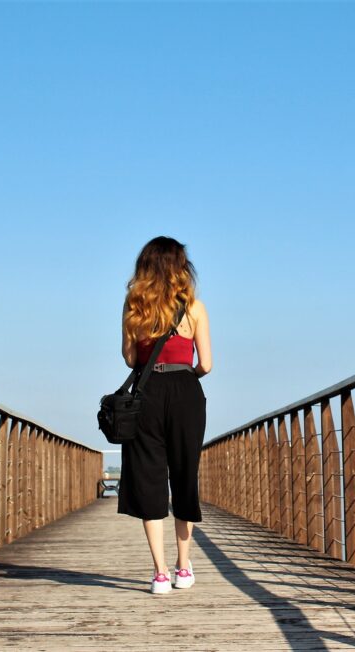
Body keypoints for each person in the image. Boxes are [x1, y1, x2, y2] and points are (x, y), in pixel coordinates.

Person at [118, 236, 212, 595]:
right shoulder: (195, 308)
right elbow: (206, 364)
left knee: (148, 478)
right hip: (186, 392)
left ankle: (159, 574)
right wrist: (186, 374)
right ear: (179, 267)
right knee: (184, 476)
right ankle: (183, 566)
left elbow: (130, 359)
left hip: (147, 394)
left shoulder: (134, 303)